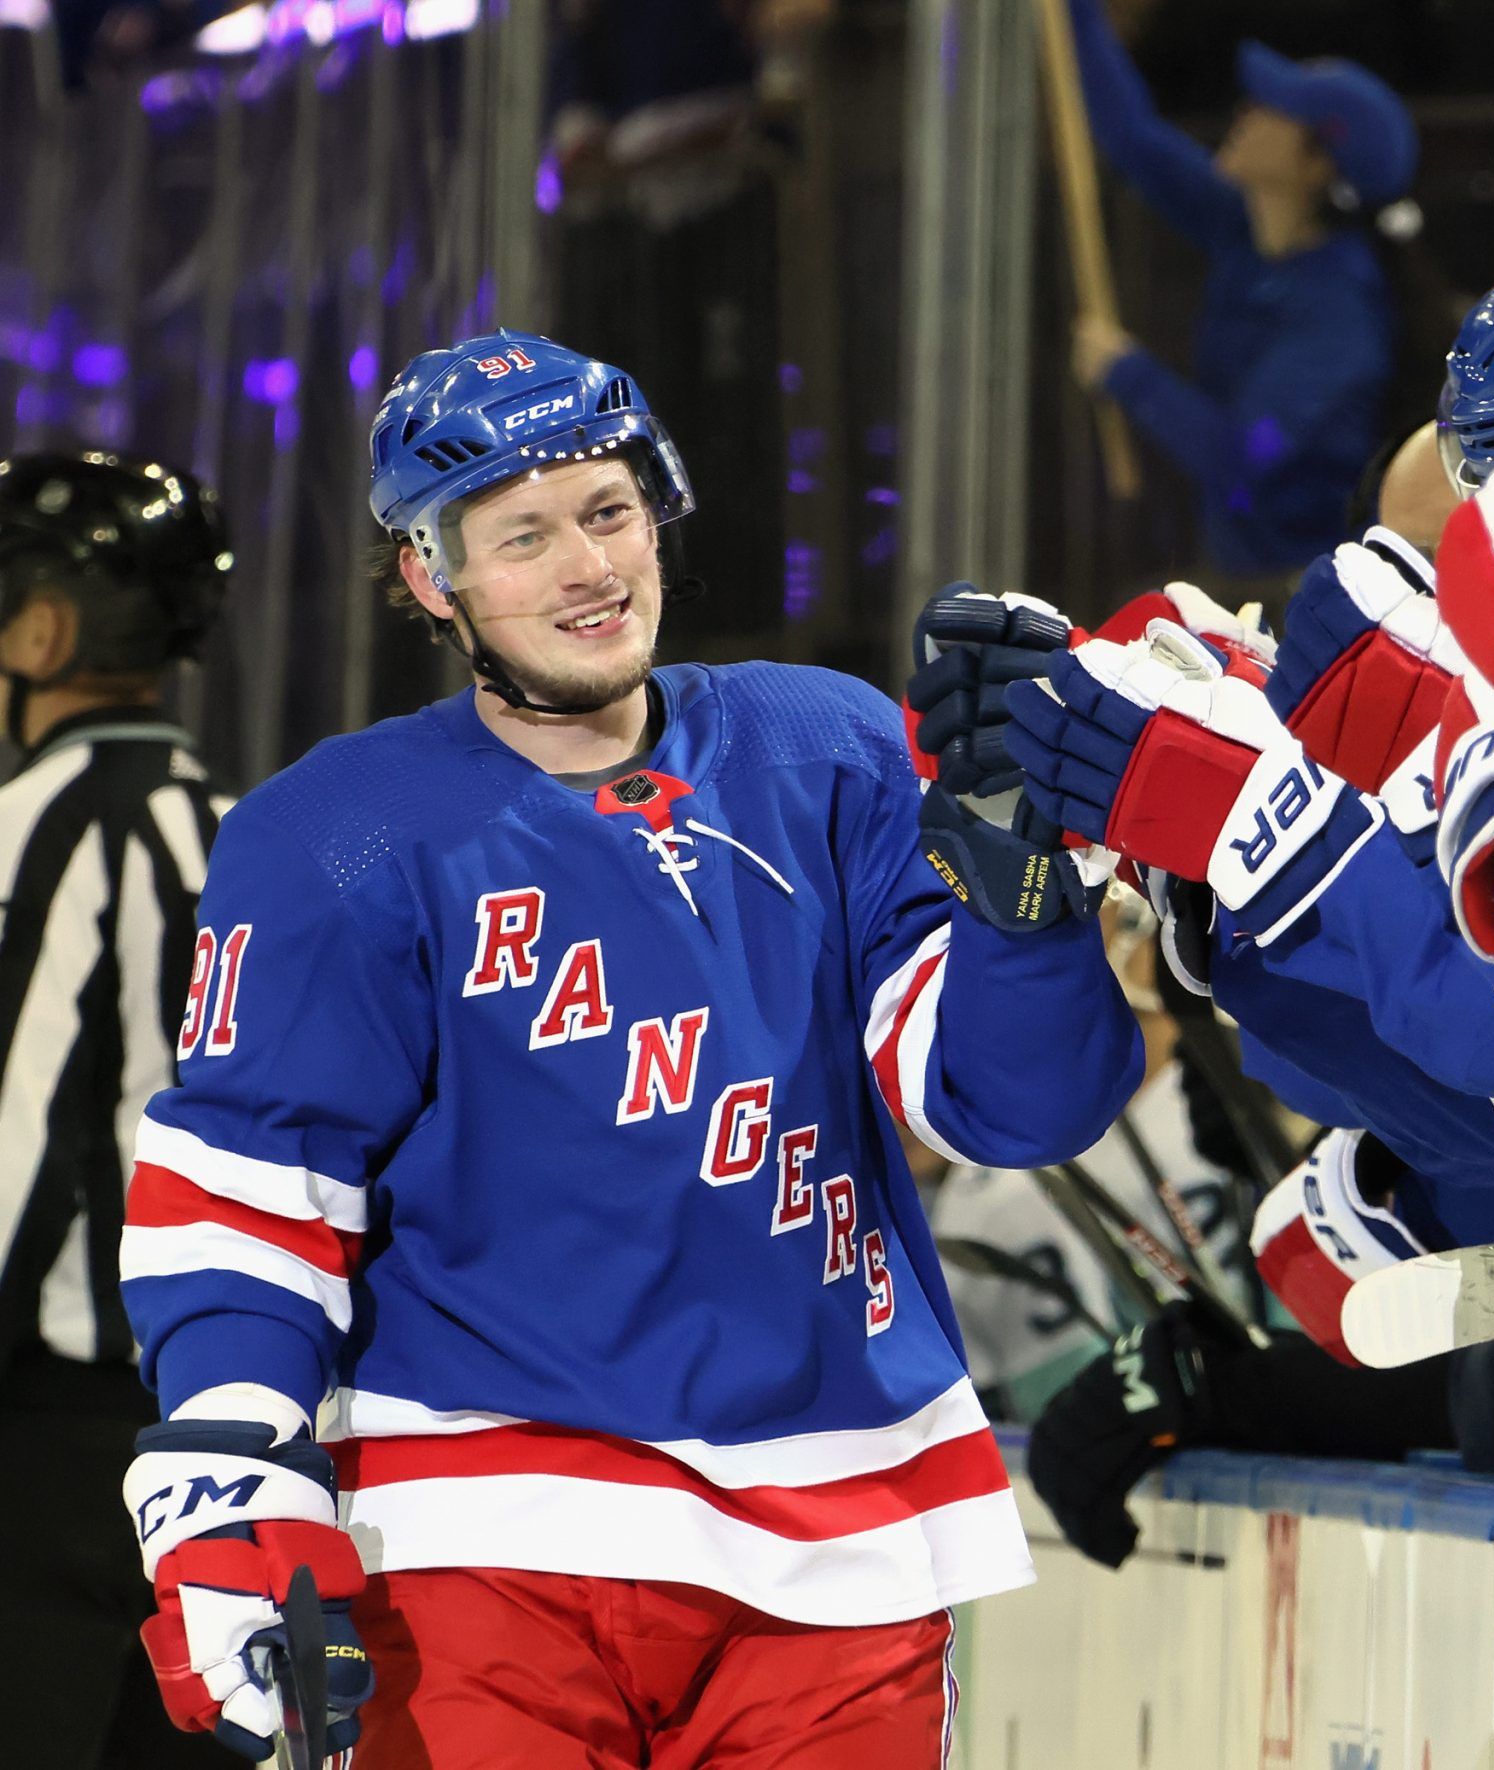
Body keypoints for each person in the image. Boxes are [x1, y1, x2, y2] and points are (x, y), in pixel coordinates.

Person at [117, 330, 1143, 1765]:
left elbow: (1010, 1108)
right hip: (478, 1532)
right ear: (433, 578)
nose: (588, 567)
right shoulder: (334, 831)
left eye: (607, 512)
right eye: (522, 535)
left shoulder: (829, 747)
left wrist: (1024, 918)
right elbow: (254, 1188)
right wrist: (233, 1466)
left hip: (839, 1523)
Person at [0, 451, 233, 1769]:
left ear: (42, 628)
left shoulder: (15, 831)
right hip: (229, 1450)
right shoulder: (260, 836)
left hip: (36, 1450)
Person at [1067, 0, 1415, 587]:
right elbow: (1131, 137)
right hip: (1240, 569)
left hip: (1300, 592)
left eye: (1274, 108)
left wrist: (1127, 373)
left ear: (1317, 166)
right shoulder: (1246, 230)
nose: (1247, 112)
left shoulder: (1339, 316)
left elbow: (1246, 456)